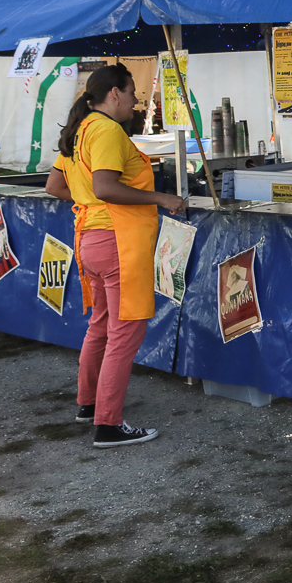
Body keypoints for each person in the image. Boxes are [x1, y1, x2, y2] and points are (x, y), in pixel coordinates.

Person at [44, 64, 187, 448]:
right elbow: (105, 187)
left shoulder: (79, 129)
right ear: (114, 93)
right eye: (132, 92)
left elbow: (54, 185)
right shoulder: (106, 130)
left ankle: (89, 404)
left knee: (102, 325)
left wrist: (89, 202)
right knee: (125, 332)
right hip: (117, 242)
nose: (136, 101)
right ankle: (108, 425)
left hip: (90, 240)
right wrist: (161, 198)